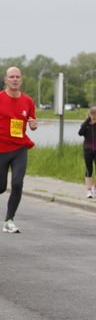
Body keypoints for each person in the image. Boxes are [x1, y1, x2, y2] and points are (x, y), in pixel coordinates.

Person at [0, 67, 37, 233]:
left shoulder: (28, 101)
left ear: (21, 80)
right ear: (5, 80)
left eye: (17, 77)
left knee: (17, 183)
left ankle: (9, 220)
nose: (15, 79)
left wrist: (33, 125)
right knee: (1, 187)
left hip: (19, 148)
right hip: (1, 149)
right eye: (11, 77)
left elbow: (32, 122)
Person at [78, 107, 96, 198]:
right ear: (89, 115)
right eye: (92, 117)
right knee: (89, 170)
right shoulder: (85, 125)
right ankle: (89, 190)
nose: (94, 119)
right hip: (88, 150)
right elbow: (80, 133)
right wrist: (87, 120)